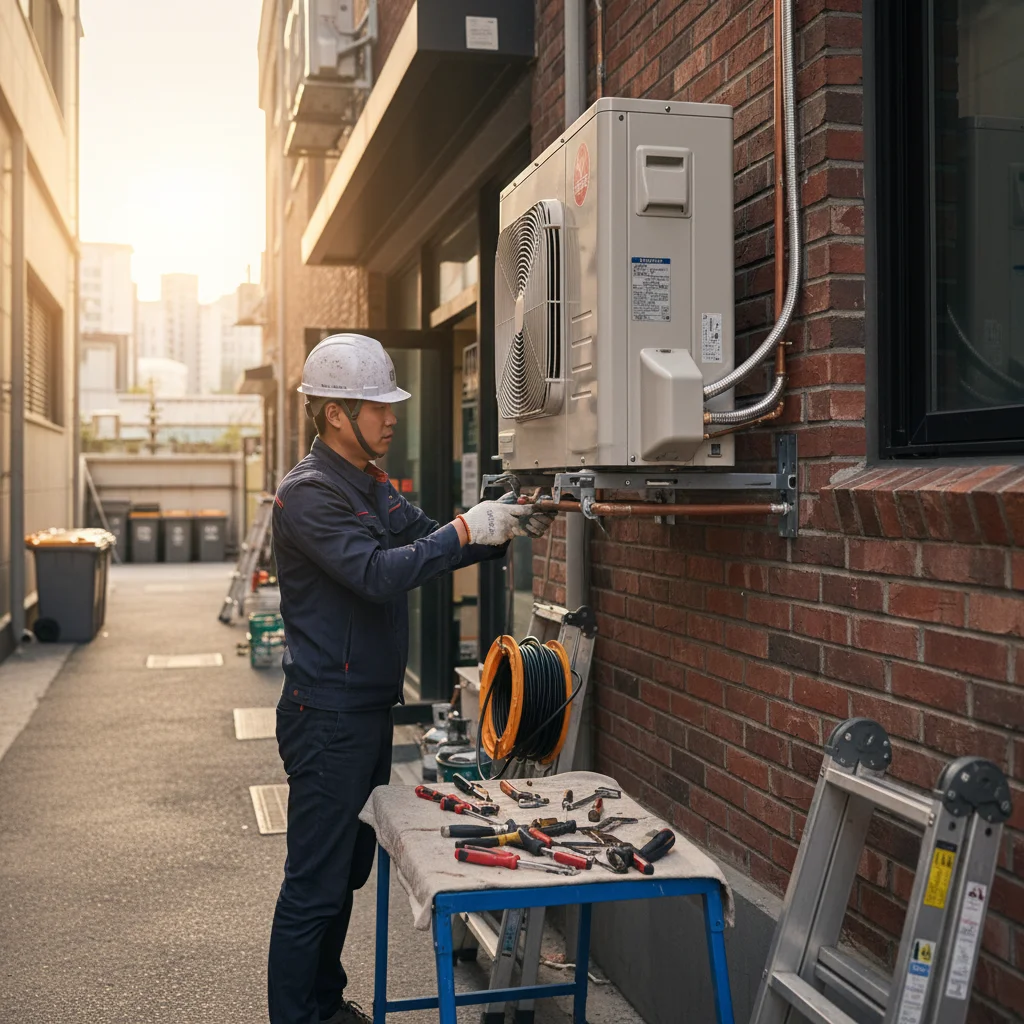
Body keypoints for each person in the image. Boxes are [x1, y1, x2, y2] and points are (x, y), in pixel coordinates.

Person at [267, 334, 553, 1024]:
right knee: (314, 883)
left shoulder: (365, 484)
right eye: (377, 406)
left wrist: (499, 524)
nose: (393, 417)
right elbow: (375, 573)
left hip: (360, 714)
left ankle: (326, 1006)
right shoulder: (308, 495)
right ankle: (297, 1017)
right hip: (325, 716)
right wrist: (464, 529)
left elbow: (424, 542)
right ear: (336, 413)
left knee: (343, 877)